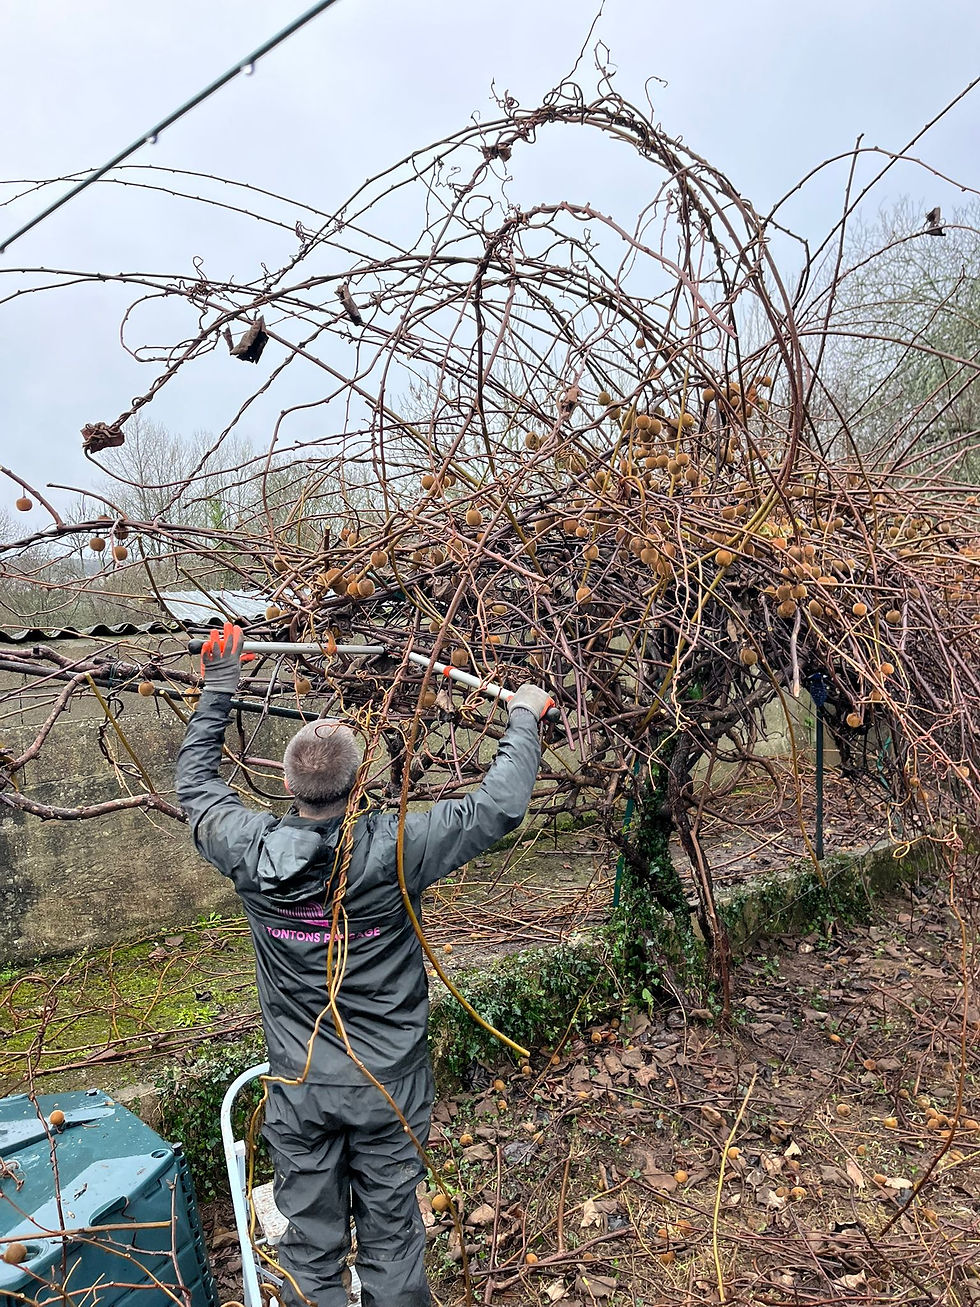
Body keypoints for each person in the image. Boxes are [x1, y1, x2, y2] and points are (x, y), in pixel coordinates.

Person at [175, 622, 552, 1307]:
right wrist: (523, 715)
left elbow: (196, 788)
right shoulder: (399, 844)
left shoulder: (250, 850)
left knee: (308, 1252)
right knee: (392, 1245)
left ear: (286, 782)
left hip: (302, 1091)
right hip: (389, 1089)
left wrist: (221, 685)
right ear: (360, 782)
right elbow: (499, 805)